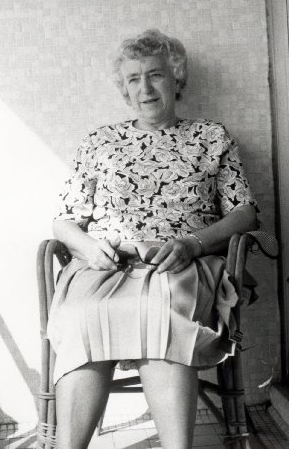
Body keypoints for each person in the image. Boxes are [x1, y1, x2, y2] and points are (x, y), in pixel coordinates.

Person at [47, 29, 258, 449]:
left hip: (182, 262)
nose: (145, 88)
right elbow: (63, 221)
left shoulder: (212, 137)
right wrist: (88, 247)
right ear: (124, 92)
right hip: (106, 264)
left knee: (162, 312)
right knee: (79, 318)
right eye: (133, 79)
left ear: (176, 80)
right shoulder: (98, 142)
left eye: (156, 75)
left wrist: (194, 244)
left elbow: (244, 212)